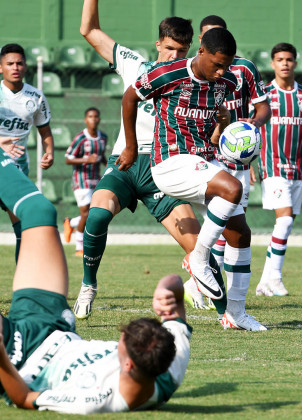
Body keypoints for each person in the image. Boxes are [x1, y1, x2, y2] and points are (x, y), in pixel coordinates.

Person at [0, 146, 191, 413]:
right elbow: (176, 309)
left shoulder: (98, 398)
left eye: (121, 342)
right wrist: (169, 289)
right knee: (39, 211)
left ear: (128, 365)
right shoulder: (168, 359)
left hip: (18, 359)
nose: (117, 341)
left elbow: (23, 397)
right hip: (53, 325)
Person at [73, 0, 228, 321]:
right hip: (127, 164)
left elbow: (211, 134)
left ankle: (231, 314)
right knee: (97, 217)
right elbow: (88, 30)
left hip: (167, 169)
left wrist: (222, 127)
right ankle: (88, 285)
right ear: (158, 44)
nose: (174, 56)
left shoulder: (194, 82)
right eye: (170, 48)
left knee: (201, 251)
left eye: (182, 50)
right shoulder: (136, 65)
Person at [122, 27, 266, 331]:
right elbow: (129, 98)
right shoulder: (167, 73)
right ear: (200, 52)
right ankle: (199, 259)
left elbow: (216, 112)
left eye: (226, 64)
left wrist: (223, 125)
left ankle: (236, 315)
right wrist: (132, 147)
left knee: (240, 233)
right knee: (233, 188)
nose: (222, 70)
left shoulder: (226, 82)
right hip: (169, 162)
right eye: (216, 63)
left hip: (203, 160)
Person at [183, 15, 271, 330]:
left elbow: (263, 107)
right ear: (202, 46)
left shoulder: (244, 69)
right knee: (225, 229)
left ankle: (222, 301)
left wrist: (251, 128)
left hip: (237, 159)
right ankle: (200, 269)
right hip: (201, 158)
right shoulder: (187, 72)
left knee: (236, 231)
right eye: (208, 39)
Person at [255, 42, 302, 297]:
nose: (285, 63)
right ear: (273, 63)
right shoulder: (264, 95)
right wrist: (249, 162)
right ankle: (275, 277)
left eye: (289, 59)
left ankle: (264, 282)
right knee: (284, 220)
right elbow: (248, 129)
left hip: (297, 169)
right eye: (280, 59)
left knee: (283, 226)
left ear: (295, 63)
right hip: (271, 166)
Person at [0, 43, 54, 262]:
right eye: (10, 63)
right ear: (0, 67)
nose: (15, 67)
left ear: (25, 67)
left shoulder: (36, 97)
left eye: (20, 63)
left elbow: (45, 131)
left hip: (18, 169)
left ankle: (22, 286)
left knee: (23, 227)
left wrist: (49, 151)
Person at [63, 107, 107, 256]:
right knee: (86, 214)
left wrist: (108, 167)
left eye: (96, 116)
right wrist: (86, 159)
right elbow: (68, 159)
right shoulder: (81, 138)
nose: (93, 119)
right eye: (90, 116)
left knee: (93, 213)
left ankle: (71, 223)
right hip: (81, 180)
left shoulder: (103, 137)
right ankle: (79, 247)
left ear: (99, 119)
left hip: (96, 179)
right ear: (85, 119)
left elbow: (101, 156)